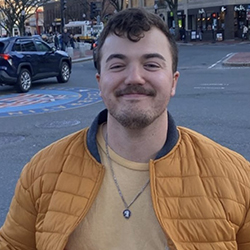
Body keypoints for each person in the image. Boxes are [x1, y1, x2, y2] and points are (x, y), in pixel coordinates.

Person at [0, 8, 250, 250]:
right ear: (100, 82)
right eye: (118, 65)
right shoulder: (41, 173)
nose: (134, 77)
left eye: (151, 64)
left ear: (173, 82)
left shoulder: (238, 179)